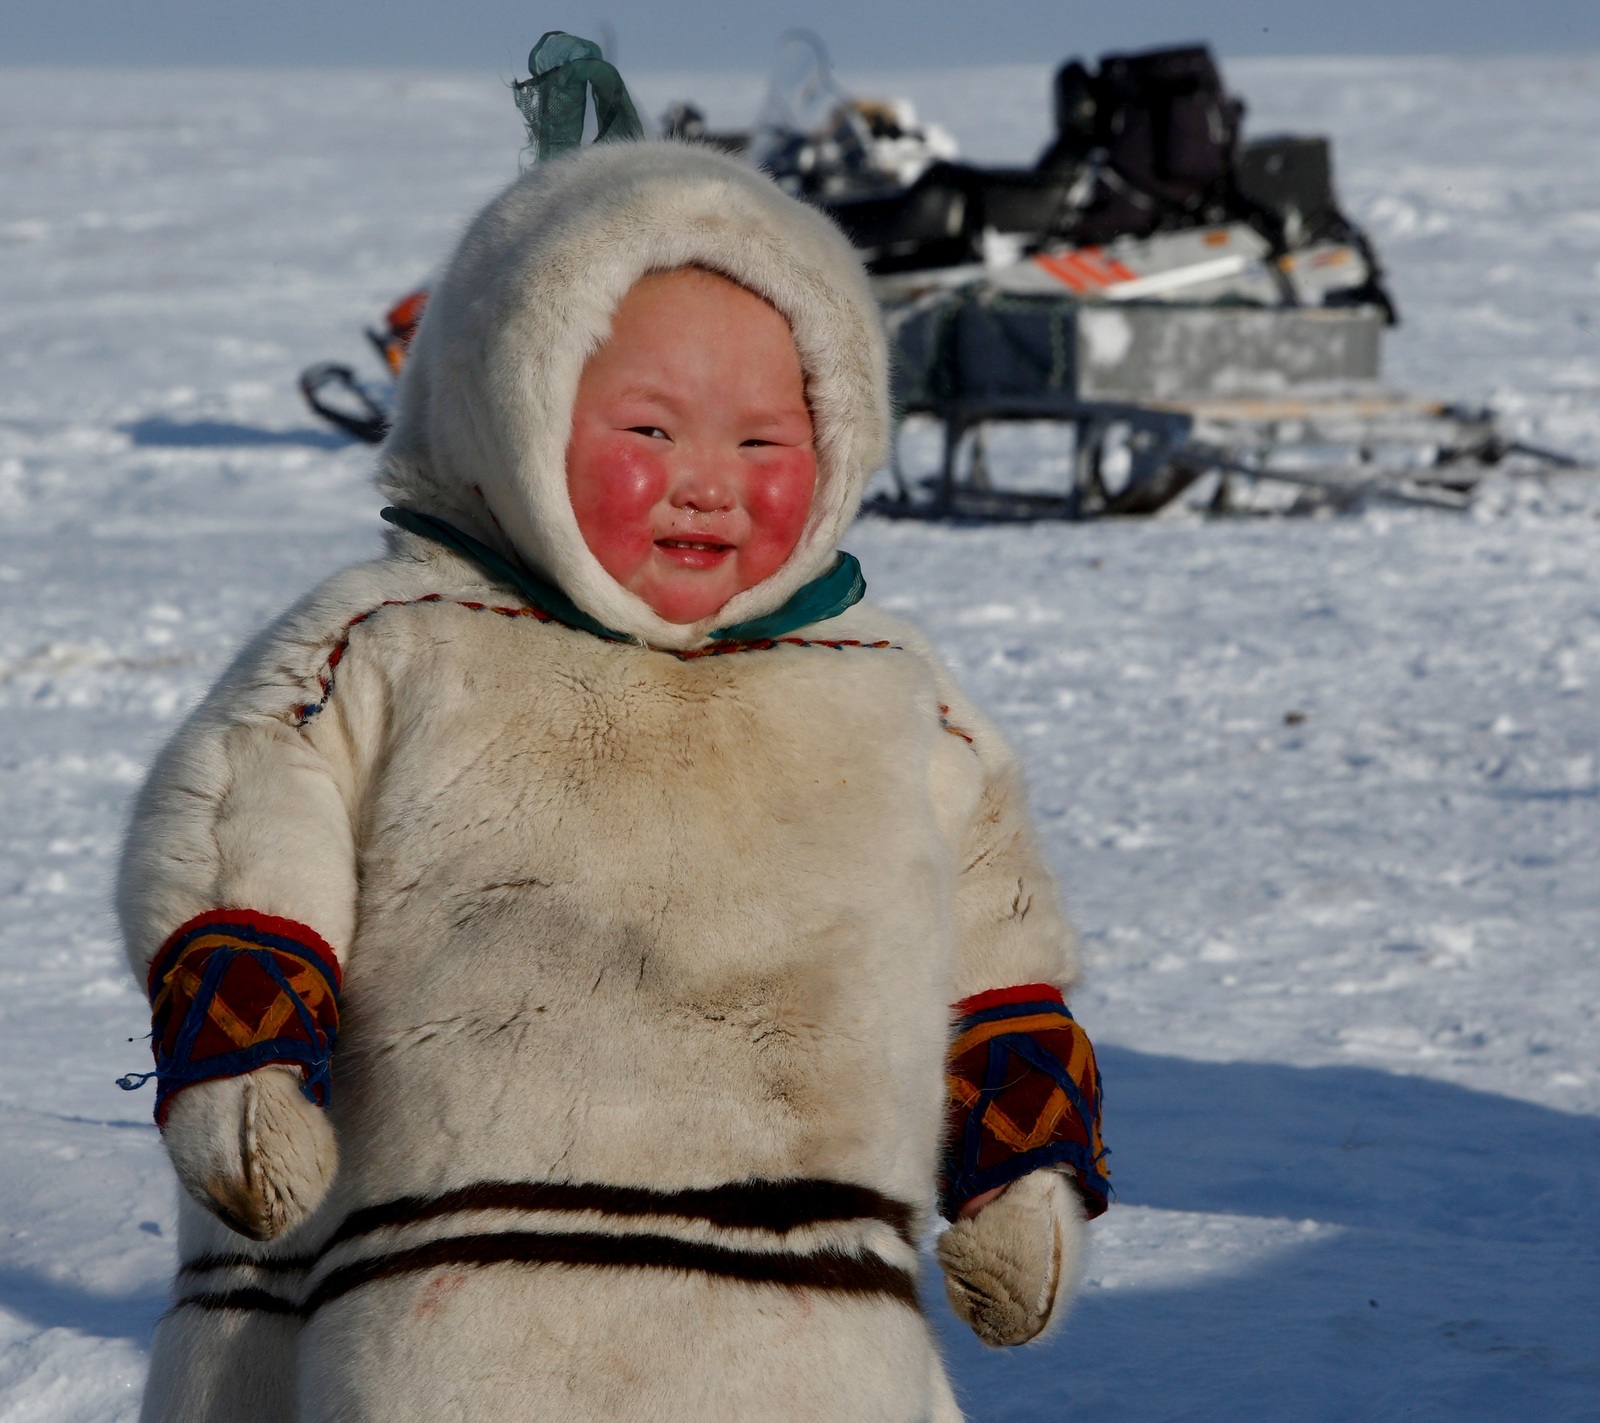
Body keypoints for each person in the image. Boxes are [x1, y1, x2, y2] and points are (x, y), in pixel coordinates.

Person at [120, 138, 1108, 1423]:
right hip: (455, 1313)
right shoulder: (400, 645)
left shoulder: (888, 700)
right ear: (510, 409)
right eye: (650, 428)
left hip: (807, 1339)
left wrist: (1017, 1164)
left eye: (765, 437)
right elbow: (247, 837)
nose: (710, 481)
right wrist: (247, 1075)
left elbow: (1000, 946)